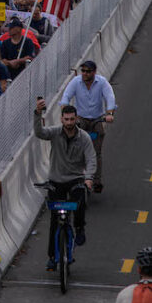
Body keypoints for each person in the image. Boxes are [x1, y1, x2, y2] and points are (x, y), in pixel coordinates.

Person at [33, 99, 96, 270]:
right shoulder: (54, 133)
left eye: (72, 119)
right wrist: (38, 114)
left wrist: (89, 178)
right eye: (66, 119)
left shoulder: (84, 138)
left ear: (77, 119)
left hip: (75, 179)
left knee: (80, 200)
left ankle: (79, 228)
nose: (69, 122)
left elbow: (91, 159)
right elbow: (40, 133)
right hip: (56, 181)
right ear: (61, 120)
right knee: (55, 220)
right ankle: (53, 257)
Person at [59, 60, 116, 193]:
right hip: (81, 119)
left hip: (97, 119)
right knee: (74, 146)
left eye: (88, 71)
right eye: (83, 71)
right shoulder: (76, 82)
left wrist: (110, 113)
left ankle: (96, 180)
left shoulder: (101, 82)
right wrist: (65, 111)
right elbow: (66, 97)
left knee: (96, 151)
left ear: (94, 72)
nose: (85, 73)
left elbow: (110, 97)